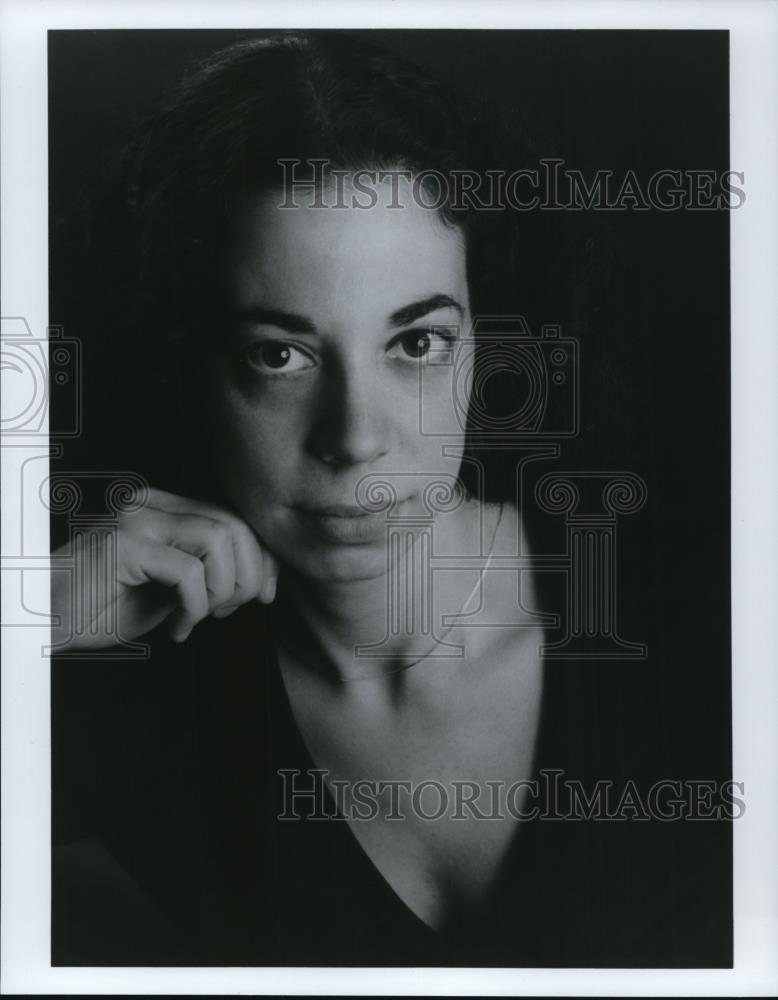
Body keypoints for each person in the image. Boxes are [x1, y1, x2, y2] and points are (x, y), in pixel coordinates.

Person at [50, 31, 731, 968]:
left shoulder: (708, 616)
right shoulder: (121, 712)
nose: (355, 439)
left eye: (416, 343)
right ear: (188, 365)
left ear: (483, 343)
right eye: (277, 354)